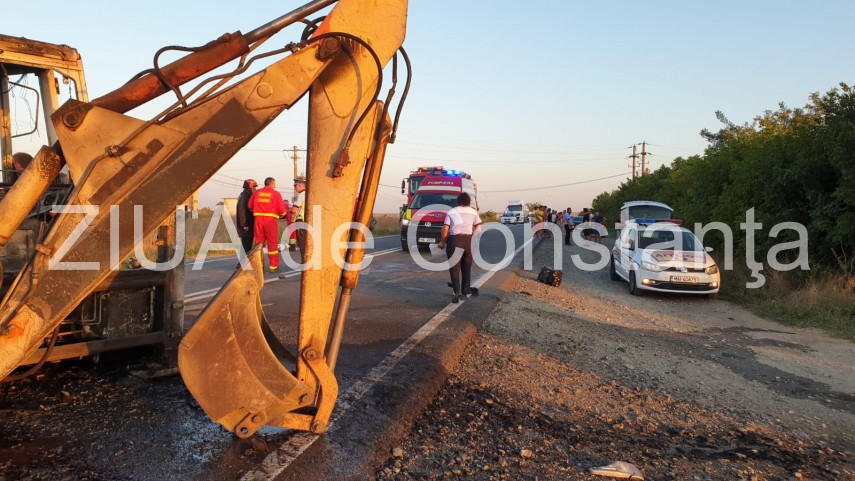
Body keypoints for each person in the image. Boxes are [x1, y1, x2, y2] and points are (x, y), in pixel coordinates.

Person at [437, 192, 482, 303]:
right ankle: (465, 292)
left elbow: (446, 229)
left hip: (455, 240)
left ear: (458, 201)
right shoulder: (473, 212)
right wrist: (472, 238)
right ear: (468, 201)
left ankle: (456, 291)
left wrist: (442, 242)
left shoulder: (452, 212)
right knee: (466, 268)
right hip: (468, 241)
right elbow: (479, 228)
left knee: (454, 267)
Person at [248, 177, 287, 272]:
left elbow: (250, 206)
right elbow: (282, 210)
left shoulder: (257, 193)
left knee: (259, 243)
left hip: (258, 220)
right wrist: (282, 215)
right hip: (270, 221)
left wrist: (257, 211)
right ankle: (273, 266)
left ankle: (259, 266)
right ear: (272, 184)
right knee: (272, 243)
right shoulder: (276, 194)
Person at [236, 179, 257, 259]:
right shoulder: (244, 195)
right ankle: (242, 263)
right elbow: (242, 211)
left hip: (249, 223)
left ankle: (244, 262)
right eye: (253, 186)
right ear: (248, 186)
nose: (255, 188)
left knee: (248, 244)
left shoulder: (247, 194)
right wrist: (244, 224)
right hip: (246, 224)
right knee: (246, 244)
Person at [291, 175, 307, 261]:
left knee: (301, 243)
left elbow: (294, 209)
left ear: (300, 185)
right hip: (308, 221)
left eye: (295, 185)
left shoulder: (300, 196)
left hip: (301, 221)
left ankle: (304, 260)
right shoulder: (309, 194)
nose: (294, 188)